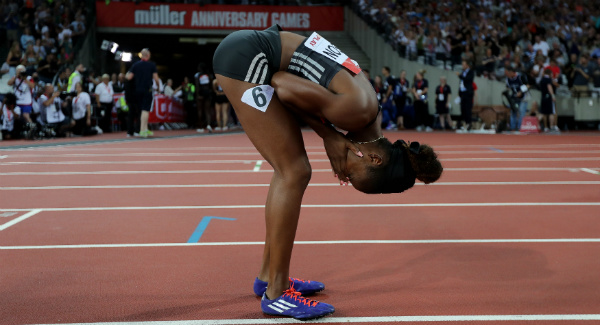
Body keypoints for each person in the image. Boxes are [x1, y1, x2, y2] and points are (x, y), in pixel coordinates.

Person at [213, 25, 442, 321]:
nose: (343, 173)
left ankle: (269, 277)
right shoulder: (356, 110)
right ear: (373, 158)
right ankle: (277, 293)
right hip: (248, 57)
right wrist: (329, 135)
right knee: (294, 171)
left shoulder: (368, 112)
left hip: (253, 51)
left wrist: (330, 134)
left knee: (292, 169)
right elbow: (281, 83)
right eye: (351, 174)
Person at [126, 48, 160, 138]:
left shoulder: (136, 65)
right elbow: (156, 79)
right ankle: (142, 130)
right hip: (147, 89)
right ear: (148, 55)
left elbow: (129, 77)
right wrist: (159, 87)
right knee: (146, 110)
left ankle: (144, 128)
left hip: (137, 90)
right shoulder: (151, 65)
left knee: (141, 110)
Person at [505, 66, 530, 131]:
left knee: (521, 111)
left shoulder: (520, 77)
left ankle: (520, 127)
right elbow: (508, 87)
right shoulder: (508, 79)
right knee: (513, 111)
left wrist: (521, 91)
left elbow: (528, 85)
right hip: (514, 97)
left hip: (524, 97)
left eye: (509, 73)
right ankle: (512, 127)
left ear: (513, 73)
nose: (508, 74)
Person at [195, 63, 213, 133]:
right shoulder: (208, 75)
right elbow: (211, 84)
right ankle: (209, 125)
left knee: (200, 110)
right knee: (207, 111)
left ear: (200, 68)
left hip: (201, 93)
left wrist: (198, 95)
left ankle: (201, 127)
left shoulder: (198, 75)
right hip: (208, 93)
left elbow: (197, 86)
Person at [539, 68, 558, 133]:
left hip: (543, 97)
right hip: (548, 97)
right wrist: (552, 95)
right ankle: (551, 126)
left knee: (544, 113)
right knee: (551, 113)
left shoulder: (542, 79)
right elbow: (549, 86)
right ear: (550, 74)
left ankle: (546, 127)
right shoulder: (548, 79)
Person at [457, 59, 475, 131]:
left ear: (467, 65)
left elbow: (467, 79)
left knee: (468, 109)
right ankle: (464, 123)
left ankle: (469, 123)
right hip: (462, 93)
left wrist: (460, 76)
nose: (462, 66)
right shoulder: (463, 72)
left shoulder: (471, 72)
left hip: (468, 93)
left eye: (464, 65)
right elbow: (461, 83)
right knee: (463, 109)